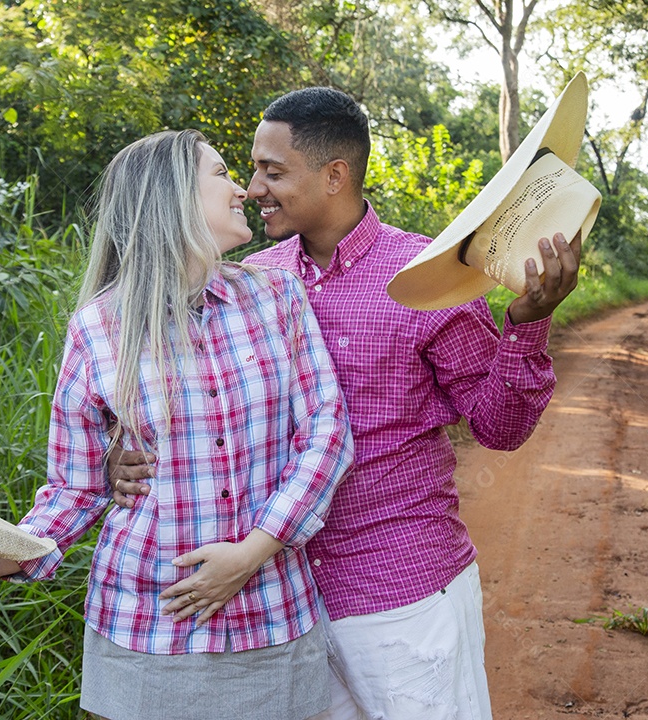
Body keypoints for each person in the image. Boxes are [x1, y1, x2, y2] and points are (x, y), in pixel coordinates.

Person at [109, 88, 582, 720]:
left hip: (401, 590)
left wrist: (528, 322)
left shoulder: (427, 279)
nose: (253, 188)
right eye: (250, 170)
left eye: (273, 172)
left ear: (335, 175)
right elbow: (200, 408)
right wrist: (125, 454)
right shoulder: (253, 281)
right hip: (282, 603)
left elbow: (499, 426)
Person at [0, 129, 354, 720]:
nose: (242, 191)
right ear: (171, 197)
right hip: (145, 626)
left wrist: (253, 551)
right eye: (221, 174)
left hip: (271, 616)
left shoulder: (277, 296)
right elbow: (75, 485)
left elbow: (326, 432)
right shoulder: (97, 328)